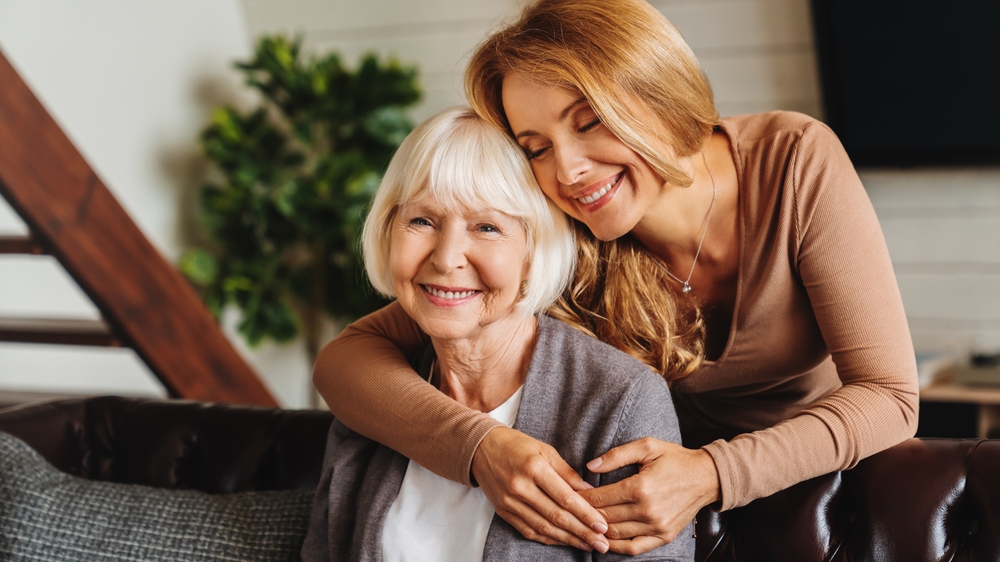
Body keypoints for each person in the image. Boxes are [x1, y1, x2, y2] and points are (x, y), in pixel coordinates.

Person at [312, 0, 920, 555]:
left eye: (588, 121)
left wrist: (710, 474)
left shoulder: (793, 161)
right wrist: (480, 448)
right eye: (535, 147)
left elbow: (890, 397)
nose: (568, 172)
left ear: (656, 89)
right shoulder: (565, 229)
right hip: (650, 504)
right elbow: (347, 361)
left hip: (819, 482)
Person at [301, 106, 694, 561]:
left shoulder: (620, 401)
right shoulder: (374, 399)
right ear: (388, 231)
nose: (446, 258)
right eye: (421, 221)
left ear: (534, 249)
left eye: (487, 227)